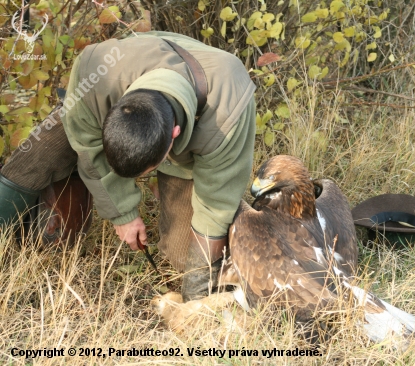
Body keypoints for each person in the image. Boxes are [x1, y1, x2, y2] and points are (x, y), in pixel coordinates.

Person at [0, 31, 256, 301]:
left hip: (201, 126)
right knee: (34, 159)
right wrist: (122, 213)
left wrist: (197, 296)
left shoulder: (228, 112)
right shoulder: (96, 70)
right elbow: (90, 148)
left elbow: (216, 206)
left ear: (175, 135)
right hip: (116, 90)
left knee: (184, 257)